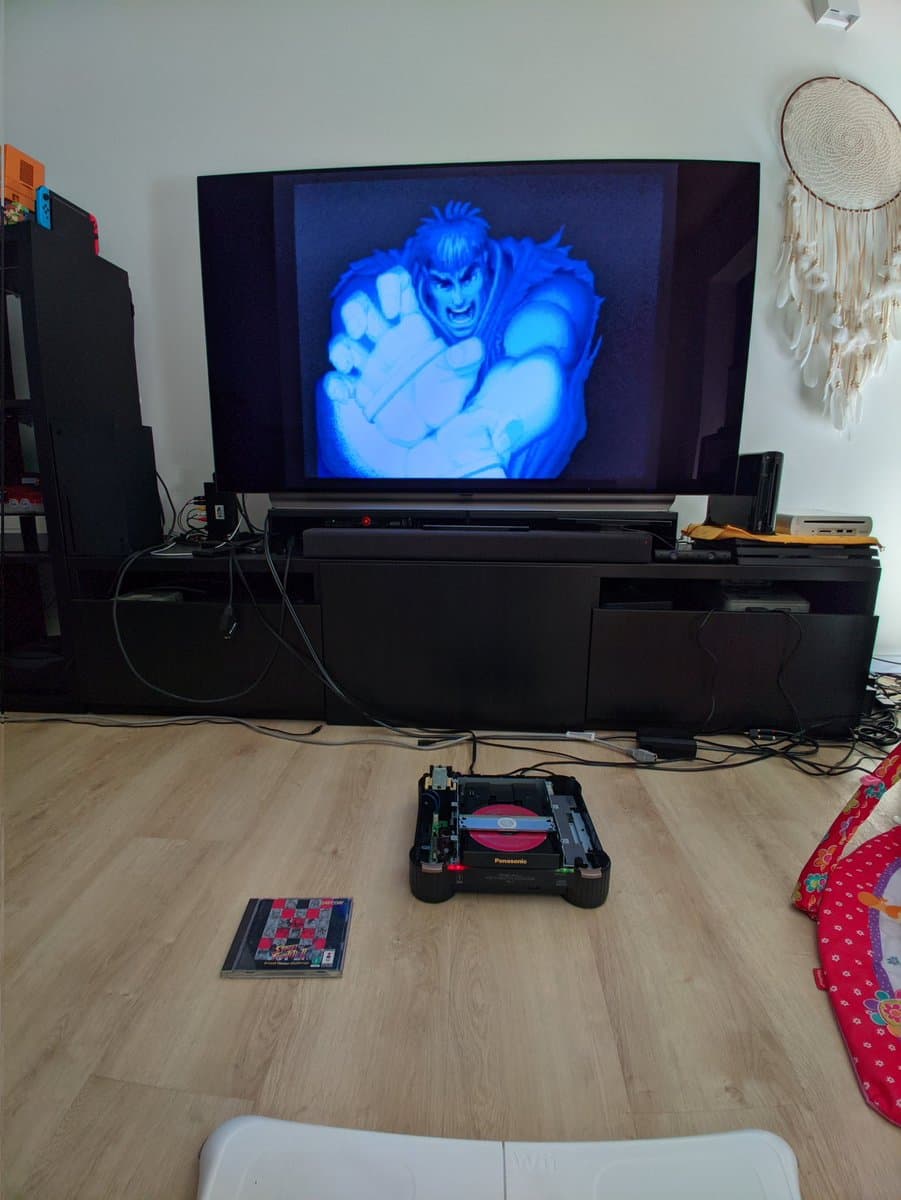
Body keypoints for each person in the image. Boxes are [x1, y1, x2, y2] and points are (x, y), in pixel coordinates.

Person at [317, 201, 603, 479]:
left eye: (468, 279)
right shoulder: (387, 300)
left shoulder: (542, 288)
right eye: (443, 283)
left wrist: (478, 434)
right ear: (426, 281)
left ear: (486, 266)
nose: (458, 300)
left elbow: (551, 337)